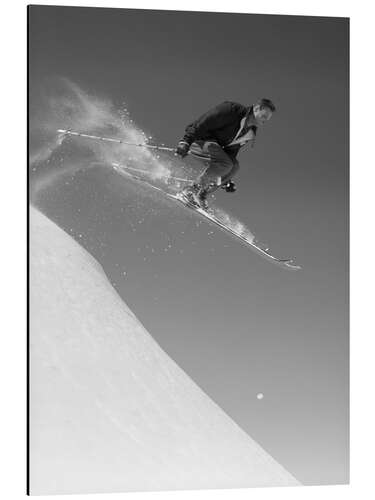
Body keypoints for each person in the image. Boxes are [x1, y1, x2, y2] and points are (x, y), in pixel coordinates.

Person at [175, 98, 275, 209]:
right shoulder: (232, 110)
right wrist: (186, 141)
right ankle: (190, 191)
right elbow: (205, 121)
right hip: (200, 141)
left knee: (234, 167)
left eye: (267, 120)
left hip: (215, 150)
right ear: (257, 109)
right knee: (226, 164)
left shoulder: (250, 133)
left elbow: (230, 153)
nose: (264, 121)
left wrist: (226, 178)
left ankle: (201, 195)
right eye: (264, 117)